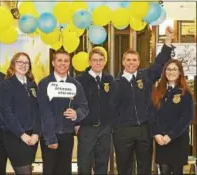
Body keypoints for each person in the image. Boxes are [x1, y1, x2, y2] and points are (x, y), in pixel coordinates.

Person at [110, 26, 175, 175]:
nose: (131, 63)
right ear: (123, 62)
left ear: (139, 62)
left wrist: (168, 40)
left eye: (134, 60)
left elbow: (160, 63)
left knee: (145, 167)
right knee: (124, 168)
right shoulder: (115, 83)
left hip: (144, 129)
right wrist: (116, 129)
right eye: (128, 60)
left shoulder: (146, 76)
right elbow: (111, 108)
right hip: (123, 131)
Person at [37, 50, 89, 175]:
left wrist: (77, 114)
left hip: (67, 135)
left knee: (65, 170)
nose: (63, 63)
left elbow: (84, 107)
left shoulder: (75, 84)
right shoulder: (44, 84)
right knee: (49, 170)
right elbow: (44, 112)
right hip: (49, 135)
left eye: (66, 61)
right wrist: (50, 138)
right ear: (53, 62)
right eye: (59, 60)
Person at [0, 52, 40, 175]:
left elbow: (38, 110)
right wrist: (22, 134)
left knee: (28, 168)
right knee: (24, 171)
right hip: (15, 137)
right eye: (20, 62)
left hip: (32, 137)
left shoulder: (32, 84)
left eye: (26, 62)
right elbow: (5, 112)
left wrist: (37, 133)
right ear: (13, 64)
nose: (23, 65)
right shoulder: (6, 84)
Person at [151, 59, 194, 174]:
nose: (171, 72)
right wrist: (156, 133)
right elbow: (152, 115)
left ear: (180, 72)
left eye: (174, 69)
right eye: (168, 69)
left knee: (177, 171)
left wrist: (170, 135)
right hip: (161, 140)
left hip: (178, 140)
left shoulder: (185, 93)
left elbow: (187, 118)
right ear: (164, 72)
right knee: (164, 171)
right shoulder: (158, 91)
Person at [75, 48, 113, 174]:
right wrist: (76, 124)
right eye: (95, 60)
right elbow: (73, 103)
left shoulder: (109, 79)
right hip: (86, 129)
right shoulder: (80, 80)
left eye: (101, 60)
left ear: (105, 62)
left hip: (104, 129)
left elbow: (113, 103)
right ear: (90, 61)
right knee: (84, 164)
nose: (98, 63)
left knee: (102, 164)